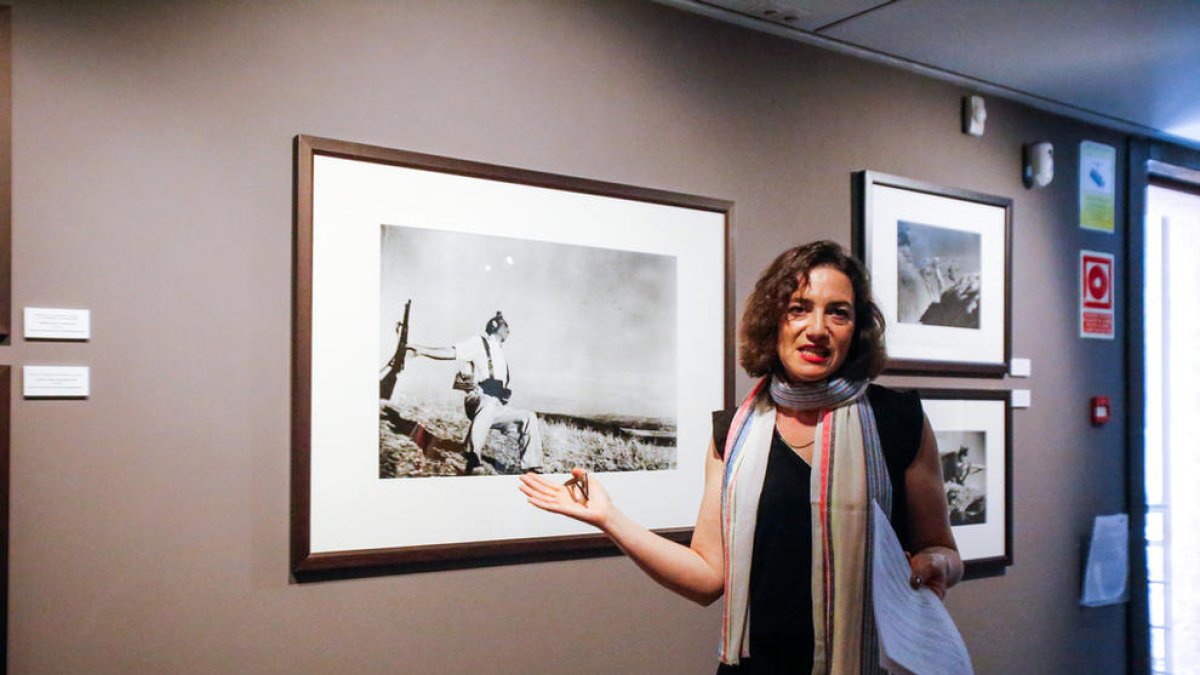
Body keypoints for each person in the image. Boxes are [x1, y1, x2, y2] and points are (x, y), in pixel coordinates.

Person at [519, 241, 962, 673]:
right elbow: (706, 578)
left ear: (857, 329)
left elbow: (942, 549)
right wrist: (610, 519)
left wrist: (937, 564)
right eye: (799, 308)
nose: (817, 328)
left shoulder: (898, 420)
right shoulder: (731, 433)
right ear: (773, 321)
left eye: (838, 312)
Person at [407, 311, 543, 474]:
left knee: (528, 417)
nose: (509, 330)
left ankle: (533, 468)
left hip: (495, 406)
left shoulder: (500, 353)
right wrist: (420, 350)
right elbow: (450, 352)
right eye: (505, 326)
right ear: (495, 326)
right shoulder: (478, 343)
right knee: (489, 403)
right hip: (477, 399)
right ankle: (472, 456)